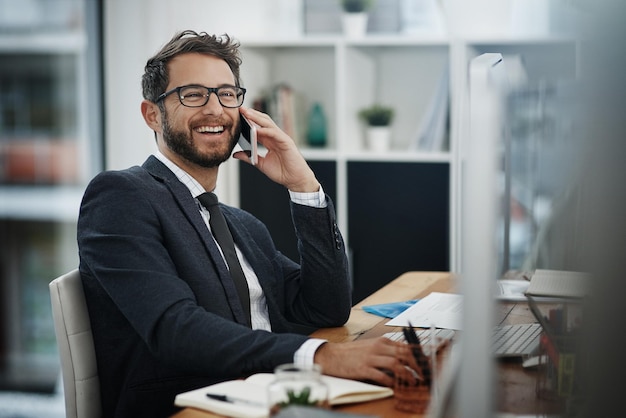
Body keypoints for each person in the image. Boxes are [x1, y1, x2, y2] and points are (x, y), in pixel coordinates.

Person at [77, 30, 416, 417]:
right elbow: (175, 328)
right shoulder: (121, 196)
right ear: (152, 113)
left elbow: (327, 309)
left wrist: (303, 186)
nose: (215, 109)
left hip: (277, 399)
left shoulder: (242, 225)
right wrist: (319, 356)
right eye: (192, 94)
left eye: (226, 94)